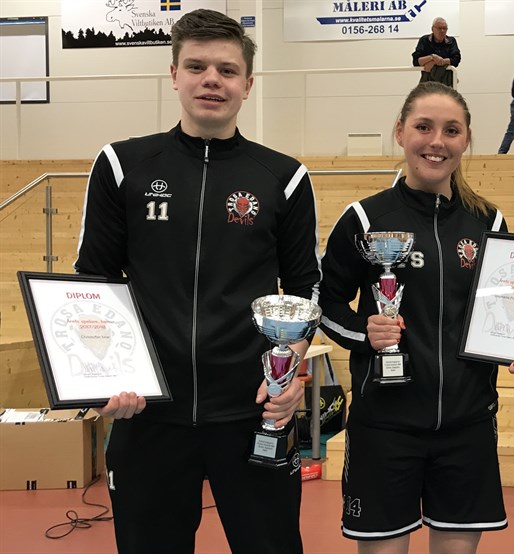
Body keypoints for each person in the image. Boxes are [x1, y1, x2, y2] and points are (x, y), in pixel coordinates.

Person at [74, 9, 321, 554]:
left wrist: (289, 371)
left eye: (227, 70)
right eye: (197, 67)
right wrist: (106, 376)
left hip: (254, 411)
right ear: (174, 75)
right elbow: (93, 281)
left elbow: (308, 287)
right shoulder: (122, 164)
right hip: (148, 413)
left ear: (247, 84)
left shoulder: (283, 176)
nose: (212, 80)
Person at [319, 81, 513, 554]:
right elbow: (324, 302)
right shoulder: (365, 219)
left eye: (451, 130)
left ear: (466, 139)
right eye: (423, 127)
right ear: (400, 132)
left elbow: (504, 311)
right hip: (385, 428)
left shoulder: (488, 223)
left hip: (467, 424)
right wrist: (362, 333)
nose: (436, 142)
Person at [411, 17, 460, 87]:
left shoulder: (451, 41)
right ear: (432, 29)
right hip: (428, 80)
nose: (442, 31)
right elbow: (416, 61)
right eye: (439, 28)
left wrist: (436, 62)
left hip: (447, 81)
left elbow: (456, 60)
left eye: (445, 28)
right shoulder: (424, 40)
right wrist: (432, 57)